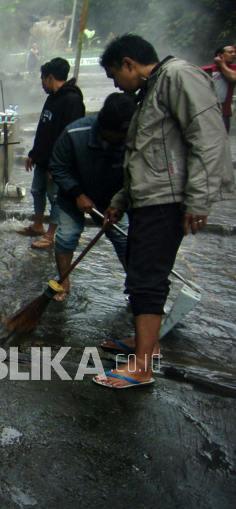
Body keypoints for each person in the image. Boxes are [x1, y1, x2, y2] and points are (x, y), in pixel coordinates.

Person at [97, 34, 233, 389]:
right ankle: (145, 345)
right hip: (150, 198)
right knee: (144, 276)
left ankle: (142, 366)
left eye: (115, 75)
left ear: (129, 63)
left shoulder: (178, 76)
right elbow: (144, 155)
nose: (117, 85)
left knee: (147, 279)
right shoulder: (152, 89)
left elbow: (208, 136)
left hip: (166, 201)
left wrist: (199, 199)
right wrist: (121, 200)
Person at [48, 92, 137, 301]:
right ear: (102, 126)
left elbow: (137, 173)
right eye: (115, 135)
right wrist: (78, 193)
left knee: (126, 240)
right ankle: (64, 282)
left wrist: (120, 203)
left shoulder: (134, 138)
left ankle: (136, 288)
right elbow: (58, 167)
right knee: (66, 237)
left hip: (114, 199)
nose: (119, 139)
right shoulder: (74, 133)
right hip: (73, 196)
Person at [18, 57, 85, 249]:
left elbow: (69, 136)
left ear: (50, 78)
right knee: (37, 190)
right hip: (43, 159)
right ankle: (38, 225)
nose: (41, 84)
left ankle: (51, 233)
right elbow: (44, 129)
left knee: (55, 196)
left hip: (57, 162)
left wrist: (59, 165)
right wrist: (34, 153)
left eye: (42, 79)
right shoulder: (52, 98)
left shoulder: (72, 100)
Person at [201, 45, 236, 132]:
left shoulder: (234, 68)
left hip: (224, 112)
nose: (233, 54)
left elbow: (233, 78)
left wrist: (221, 64)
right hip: (206, 111)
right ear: (220, 55)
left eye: (234, 52)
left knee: (223, 140)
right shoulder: (205, 70)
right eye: (230, 52)